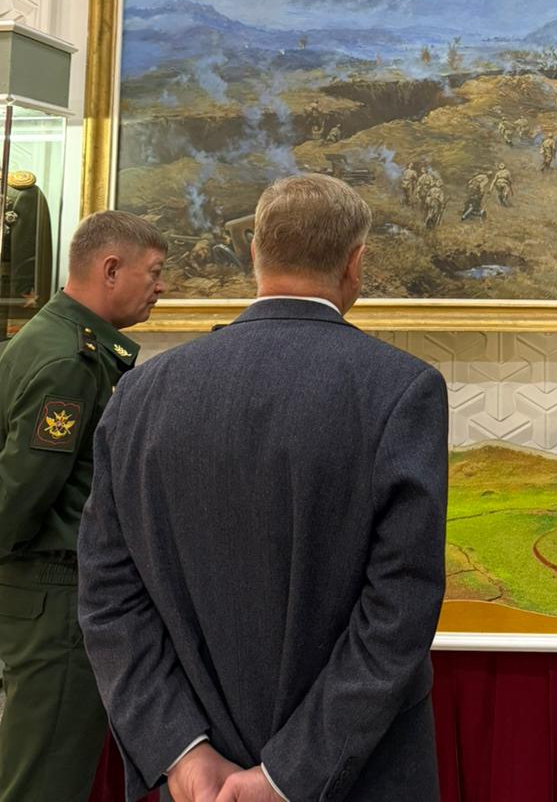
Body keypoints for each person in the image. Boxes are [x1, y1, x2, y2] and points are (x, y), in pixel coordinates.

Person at [78, 175, 449, 802]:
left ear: (254, 252)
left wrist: (181, 752)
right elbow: (400, 609)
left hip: (197, 783)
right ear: (355, 263)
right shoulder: (402, 390)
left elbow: (108, 596)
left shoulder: (140, 393)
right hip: (353, 777)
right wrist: (289, 775)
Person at [0, 210, 167, 802]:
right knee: (46, 777)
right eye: (154, 272)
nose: (161, 286)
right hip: (55, 594)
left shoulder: (52, 338)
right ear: (111, 269)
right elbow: (21, 491)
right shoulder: (72, 360)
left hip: (46, 591)